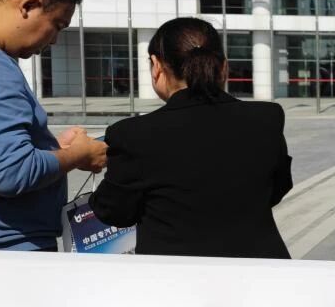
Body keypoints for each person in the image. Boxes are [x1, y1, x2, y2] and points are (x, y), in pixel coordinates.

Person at [90, 18, 293, 258]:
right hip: (262, 269)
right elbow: (277, 188)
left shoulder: (133, 134)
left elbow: (114, 211)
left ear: (156, 66)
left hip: (175, 274)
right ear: (224, 67)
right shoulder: (267, 118)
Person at [0, 0, 106, 251]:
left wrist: (49, 148)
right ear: (29, 5)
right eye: (57, 25)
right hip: (7, 251)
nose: (55, 41)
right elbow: (11, 173)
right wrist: (77, 154)